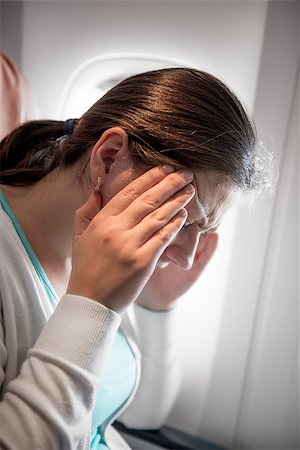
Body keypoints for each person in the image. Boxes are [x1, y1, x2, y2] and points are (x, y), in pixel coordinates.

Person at [0, 68, 257, 449]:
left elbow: (139, 414)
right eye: (185, 221)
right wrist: (91, 304)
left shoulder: (111, 243)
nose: (187, 258)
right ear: (109, 158)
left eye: (203, 231)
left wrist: (157, 306)